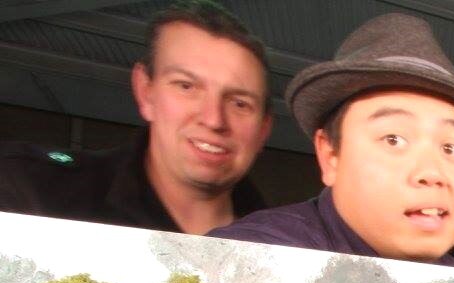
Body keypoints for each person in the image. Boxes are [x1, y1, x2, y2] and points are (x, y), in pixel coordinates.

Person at [210, 13, 454, 264]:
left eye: (450, 147)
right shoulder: (248, 261)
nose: (432, 173)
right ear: (330, 155)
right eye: (394, 139)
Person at [0, 0, 271, 235]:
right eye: (186, 86)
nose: (213, 120)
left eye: (240, 103)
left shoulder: (290, 241)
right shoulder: (28, 193)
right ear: (146, 91)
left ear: (263, 129)